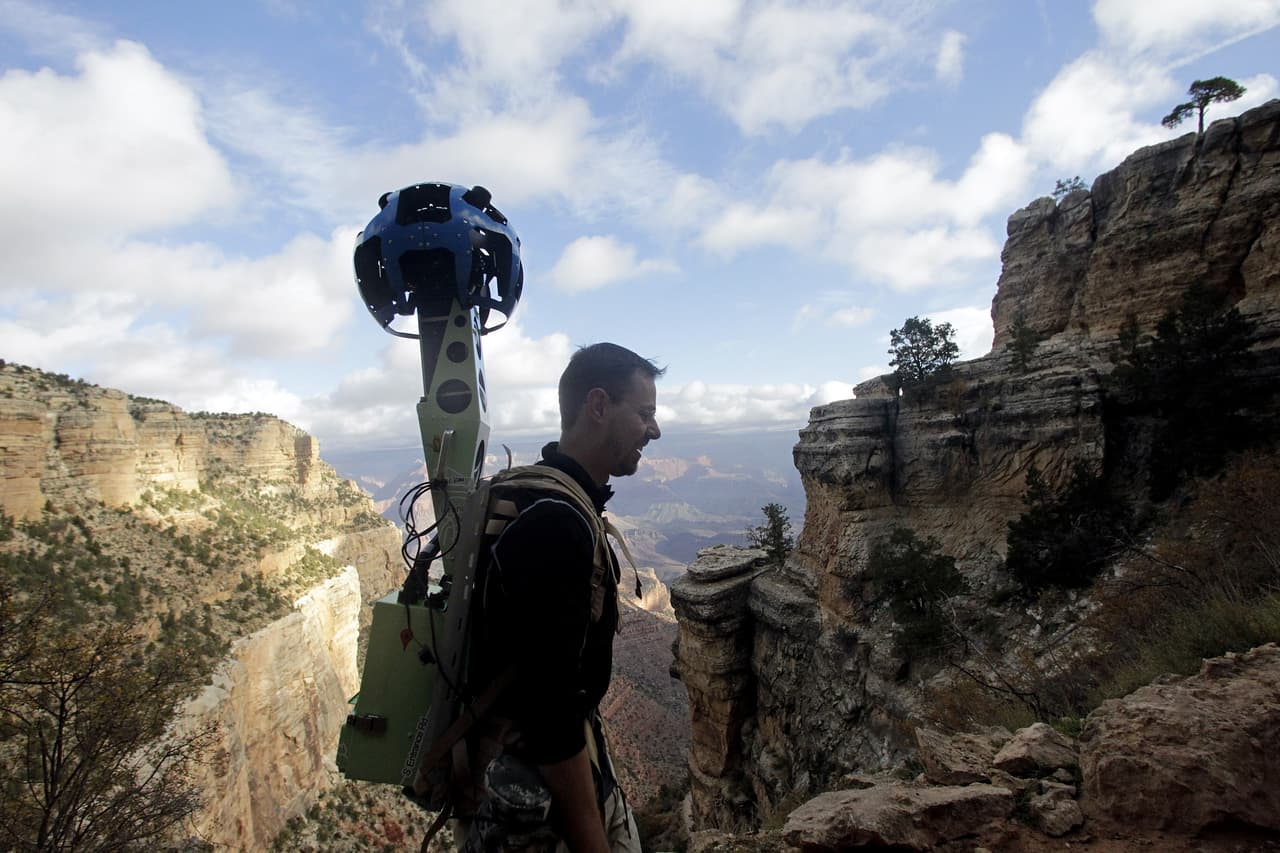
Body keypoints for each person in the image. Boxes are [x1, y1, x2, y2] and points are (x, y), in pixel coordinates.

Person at [462, 342, 664, 853]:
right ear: (598, 406)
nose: (654, 430)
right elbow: (551, 715)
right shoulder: (556, 523)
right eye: (644, 414)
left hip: (539, 775)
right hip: (536, 802)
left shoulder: (543, 499)